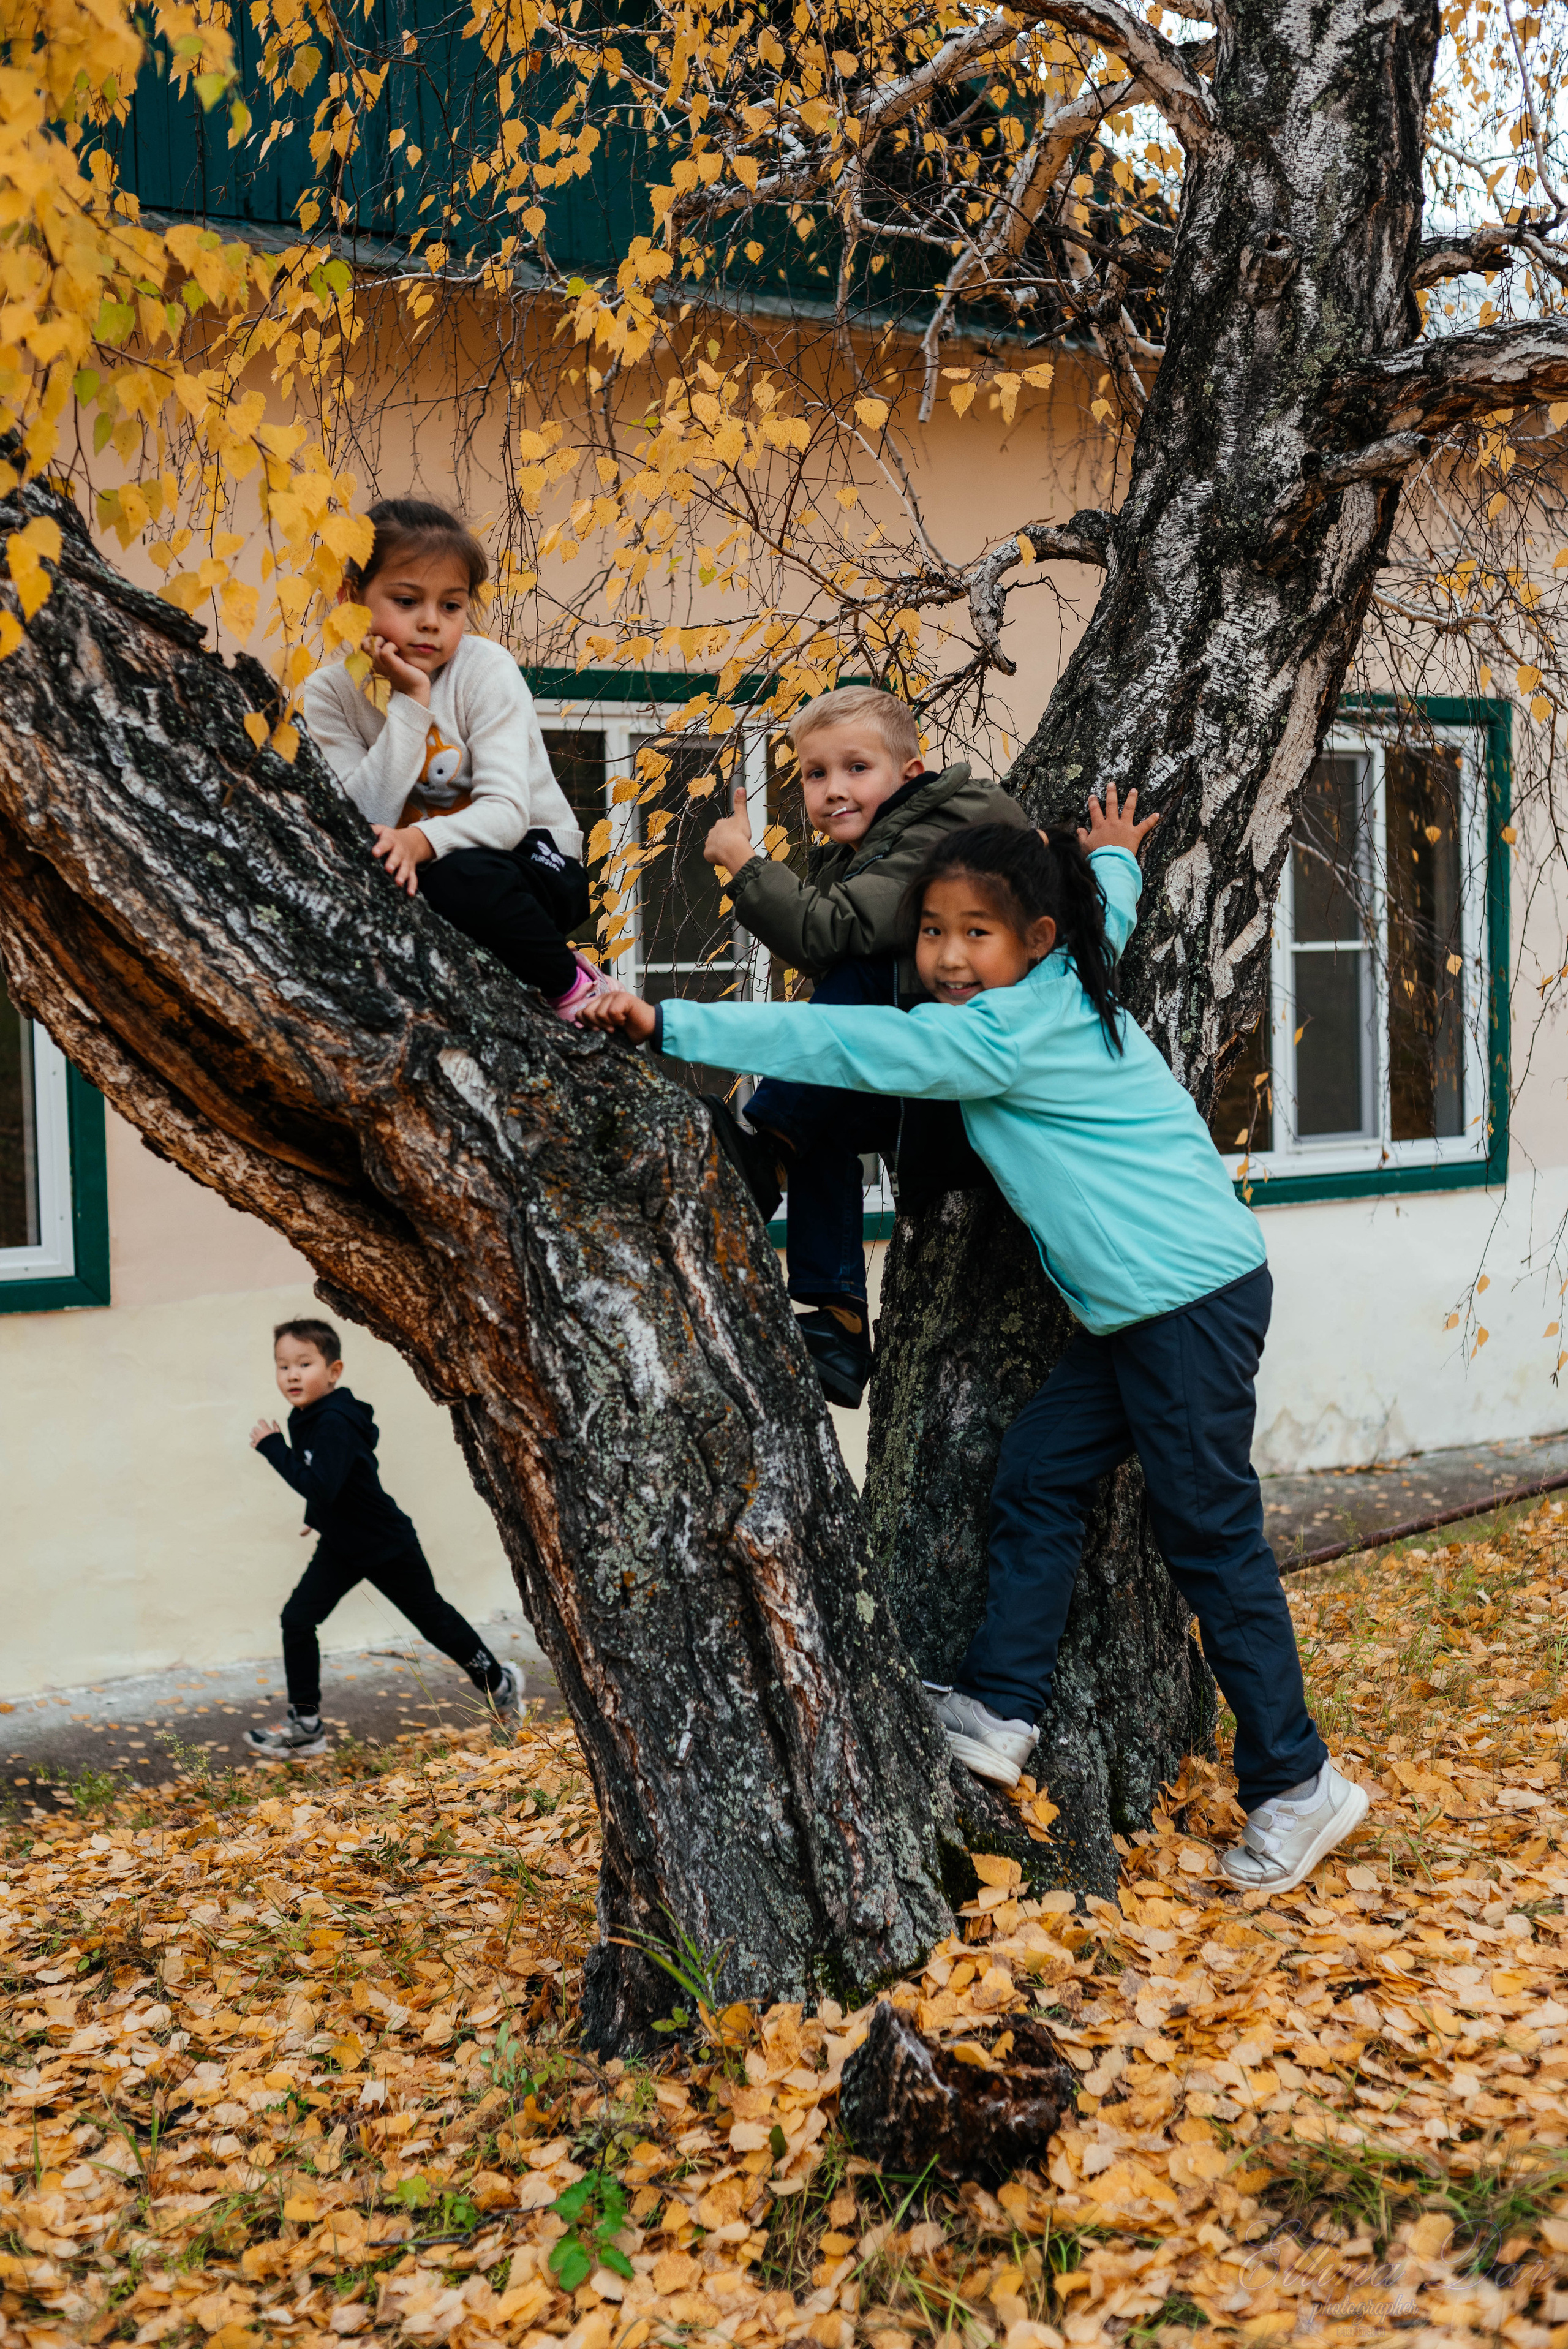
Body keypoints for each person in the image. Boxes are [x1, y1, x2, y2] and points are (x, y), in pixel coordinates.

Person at [579, 799, 1370, 1896]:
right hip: (1144, 1311)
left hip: (1185, 1304)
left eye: (976, 933)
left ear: (1034, 941)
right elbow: (1114, 917)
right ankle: (1001, 1709)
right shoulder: (1066, 979)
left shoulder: (1000, 1032)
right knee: (1040, 1472)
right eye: (934, 930)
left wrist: (669, 1024)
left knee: (1210, 1537)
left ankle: (1297, 1781)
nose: (948, 957)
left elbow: (841, 1042)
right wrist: (1108, 861)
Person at [701, 684, 1031, 1408]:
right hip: (933, 1074)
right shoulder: (875, 846)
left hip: (983, 1063)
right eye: (815, 774)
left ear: (909, 774)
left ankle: (768, 1145)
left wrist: (743, 865)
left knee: (855, 977)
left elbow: (829, 934)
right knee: (825, 1120)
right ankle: (840, 1323)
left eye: (855, 768)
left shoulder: (948, 828)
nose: (832, 789)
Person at [300, 497, 605, 1020]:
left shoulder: (485, 670)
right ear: (350, 596)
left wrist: (419, 841)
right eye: (406, 600)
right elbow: (360, 818)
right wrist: (412, 702)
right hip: (423, 871)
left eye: (450, 606)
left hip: (533, 861)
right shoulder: (328, 694)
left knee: (461, 877)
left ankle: (575, 984)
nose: (430, 623)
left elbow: (508, 813)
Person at [246, 1318, 522, 1756]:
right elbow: (340, 1476)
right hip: (342, 1543)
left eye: (304, 1363)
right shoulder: (307, 1415)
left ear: (334, 1371)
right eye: (283, 1366)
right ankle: (307, 1725)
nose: (292, 1374)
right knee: (298, 1619)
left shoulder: (334, 1419)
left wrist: (272, 1447)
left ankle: (501, 1684)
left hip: (385, 1543)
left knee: (435, 1622)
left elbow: (322, 1481)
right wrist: (317, 1514)